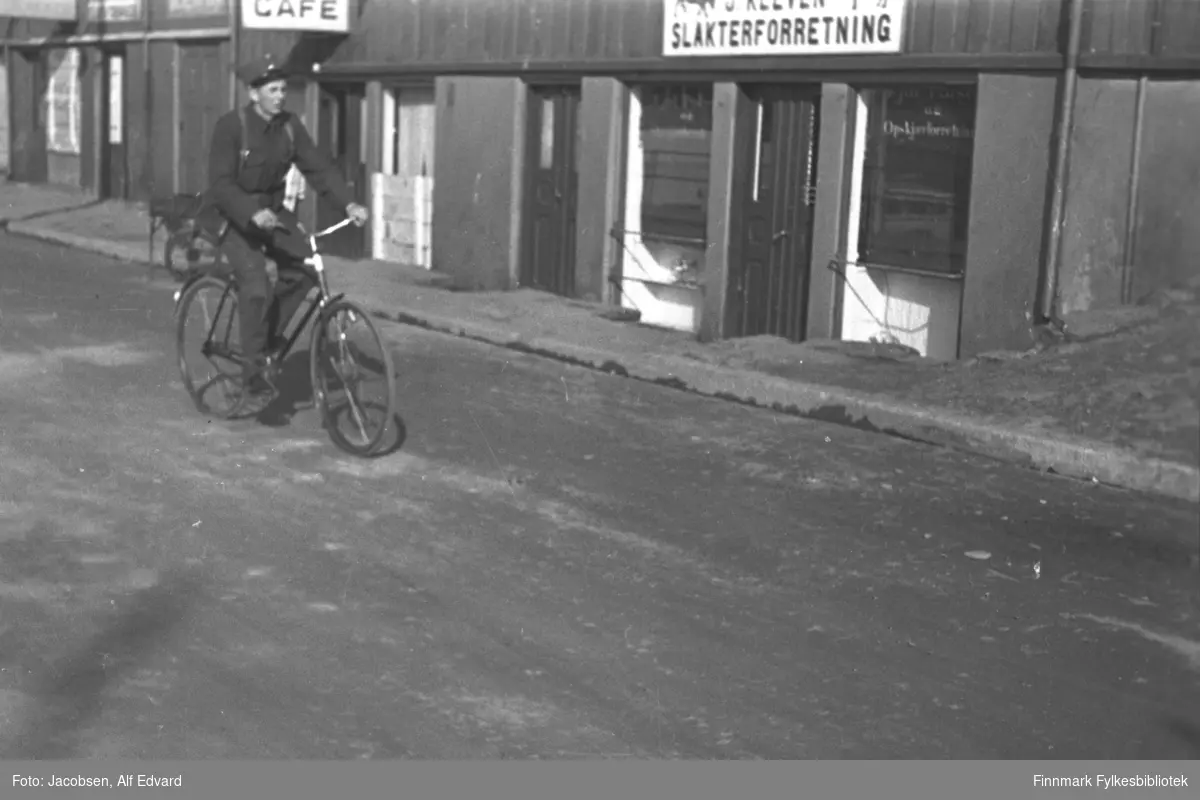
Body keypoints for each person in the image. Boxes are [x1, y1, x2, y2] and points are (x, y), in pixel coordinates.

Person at [204, 55, 369, 406]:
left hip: (274, 213)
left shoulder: (290, 126)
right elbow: (220, 184)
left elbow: (319, 168)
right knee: (255, 284)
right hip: (233, 214)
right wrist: (251, 213)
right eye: (273, 90)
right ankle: (252, 376)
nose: (280, 96)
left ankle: (266, 339)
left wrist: (348, 203)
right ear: (253, 93)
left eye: (283, 89)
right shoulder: (231, 126)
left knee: (307, 267)